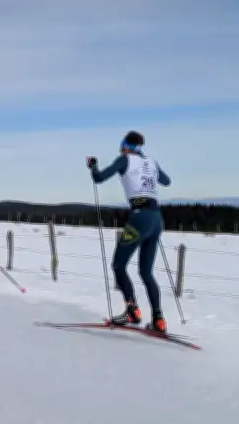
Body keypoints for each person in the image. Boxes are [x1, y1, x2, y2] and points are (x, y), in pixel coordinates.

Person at [86, 131, 171, 333]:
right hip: (156, 219)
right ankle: (158, 319)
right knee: (146, 272)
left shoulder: (124, 160)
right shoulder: (151, 162)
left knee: (118, 264)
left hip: (139, 217)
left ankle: (132, 310)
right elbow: (167, 181)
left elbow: (99, 178)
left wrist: (93, 166)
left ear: (125, 146)